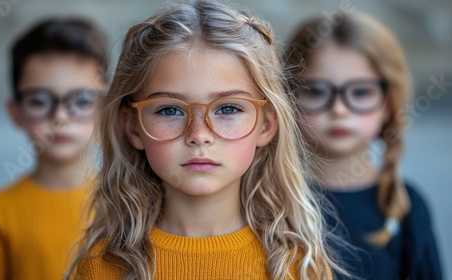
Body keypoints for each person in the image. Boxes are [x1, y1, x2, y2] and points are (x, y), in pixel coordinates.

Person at [66, 1, 343, 279]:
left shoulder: (298, 267)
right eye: (169, 110)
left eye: (228, 108)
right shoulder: (101, 269)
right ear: (133, 127)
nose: (199, 135)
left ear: (266, 124)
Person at [283, 13, 443, 280]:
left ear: (388, 103)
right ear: (288, 97)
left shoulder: (407, 209)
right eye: (316, 91)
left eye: (360, 92)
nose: (339, 109)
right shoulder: (265, 201)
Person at [0, 18, 108, 280]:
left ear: (106, 109)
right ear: (16, 112)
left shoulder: (132, 203)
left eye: (81, 100)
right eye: (40, 101)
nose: (60, 117)